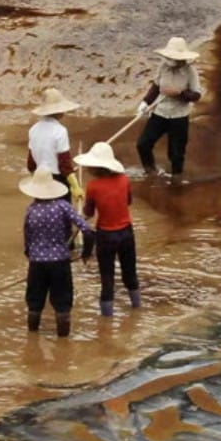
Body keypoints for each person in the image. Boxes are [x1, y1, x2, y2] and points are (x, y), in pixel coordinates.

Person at [20, 166, 93, 337]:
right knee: (62, 304)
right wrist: (86, 253)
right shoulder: (63, 206)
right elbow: (87, 230)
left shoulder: (31, 210)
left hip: (37, 263)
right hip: (60, 262)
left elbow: (27, 239)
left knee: (34, 303)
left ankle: (32, 339)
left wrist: (30, 255)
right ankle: (63, 342)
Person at [77, 141, 140, 316]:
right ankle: (137, 308)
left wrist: (83, 208)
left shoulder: (93, 187)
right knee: (130, 274)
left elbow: (89, 212)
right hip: (126, 232)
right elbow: (127, 202)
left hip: (106, 235)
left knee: (107, 279)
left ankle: (107, 321)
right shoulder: (125, 180)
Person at [135, 36, 202, 180]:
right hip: (160, 112)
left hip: (179, 116)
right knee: (143, 144)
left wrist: (180, 93)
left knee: (176, 154)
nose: (170, 60)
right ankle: (150, 171)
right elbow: (156, 86)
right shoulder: (163, 67)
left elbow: (196, 95)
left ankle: (176, 179)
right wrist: (145, 102)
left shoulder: (190, 72)